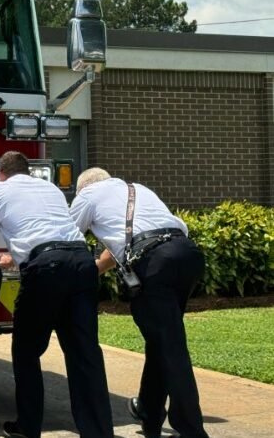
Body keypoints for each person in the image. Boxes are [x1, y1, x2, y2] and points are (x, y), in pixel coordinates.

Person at [0, 151, 113, 438]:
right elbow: (49, 231)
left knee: (26, 350)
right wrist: (16, 257)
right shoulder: (50, 188)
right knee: (85, 353)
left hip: (45, 269)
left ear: (0, 173)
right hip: (80, 263)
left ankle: (28, 427)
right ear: (27, 171)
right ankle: (98, 431)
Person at [71, 167, 208, 438]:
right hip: (187, 255)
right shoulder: (136, 189)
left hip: (155, 263)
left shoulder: (87, 196)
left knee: (171, 347)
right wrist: (97, 268)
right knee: (162, 341)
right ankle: (149, 410)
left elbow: (65, 236)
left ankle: (191, 429)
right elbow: (121, 247)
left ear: (82, 188)